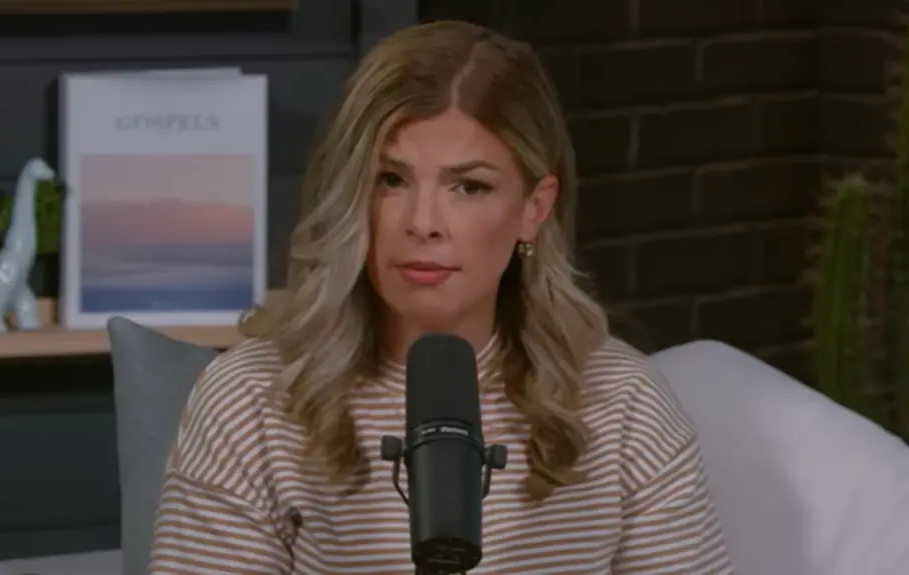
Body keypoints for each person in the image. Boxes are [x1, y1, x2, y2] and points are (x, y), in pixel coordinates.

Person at [149, 20, 734, 575]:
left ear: (534, 208)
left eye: (469, 187)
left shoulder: (623, 403)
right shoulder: (251, 400)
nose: (423, 222)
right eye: (391, 180)